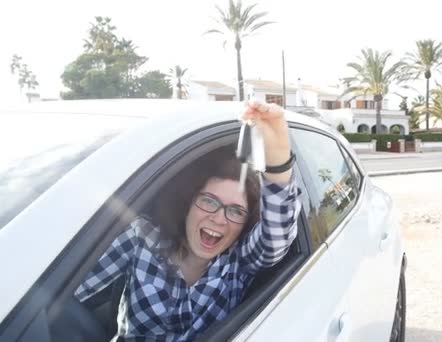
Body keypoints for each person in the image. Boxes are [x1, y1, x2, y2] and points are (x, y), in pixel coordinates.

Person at [74, 101, 301, 341]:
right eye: (209, 201)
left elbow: (276, 237)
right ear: (188, 203)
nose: (219, 219)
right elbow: (68, 291)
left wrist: (277, 162)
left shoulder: (239, 262)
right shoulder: (142, 236)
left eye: (235, 211)